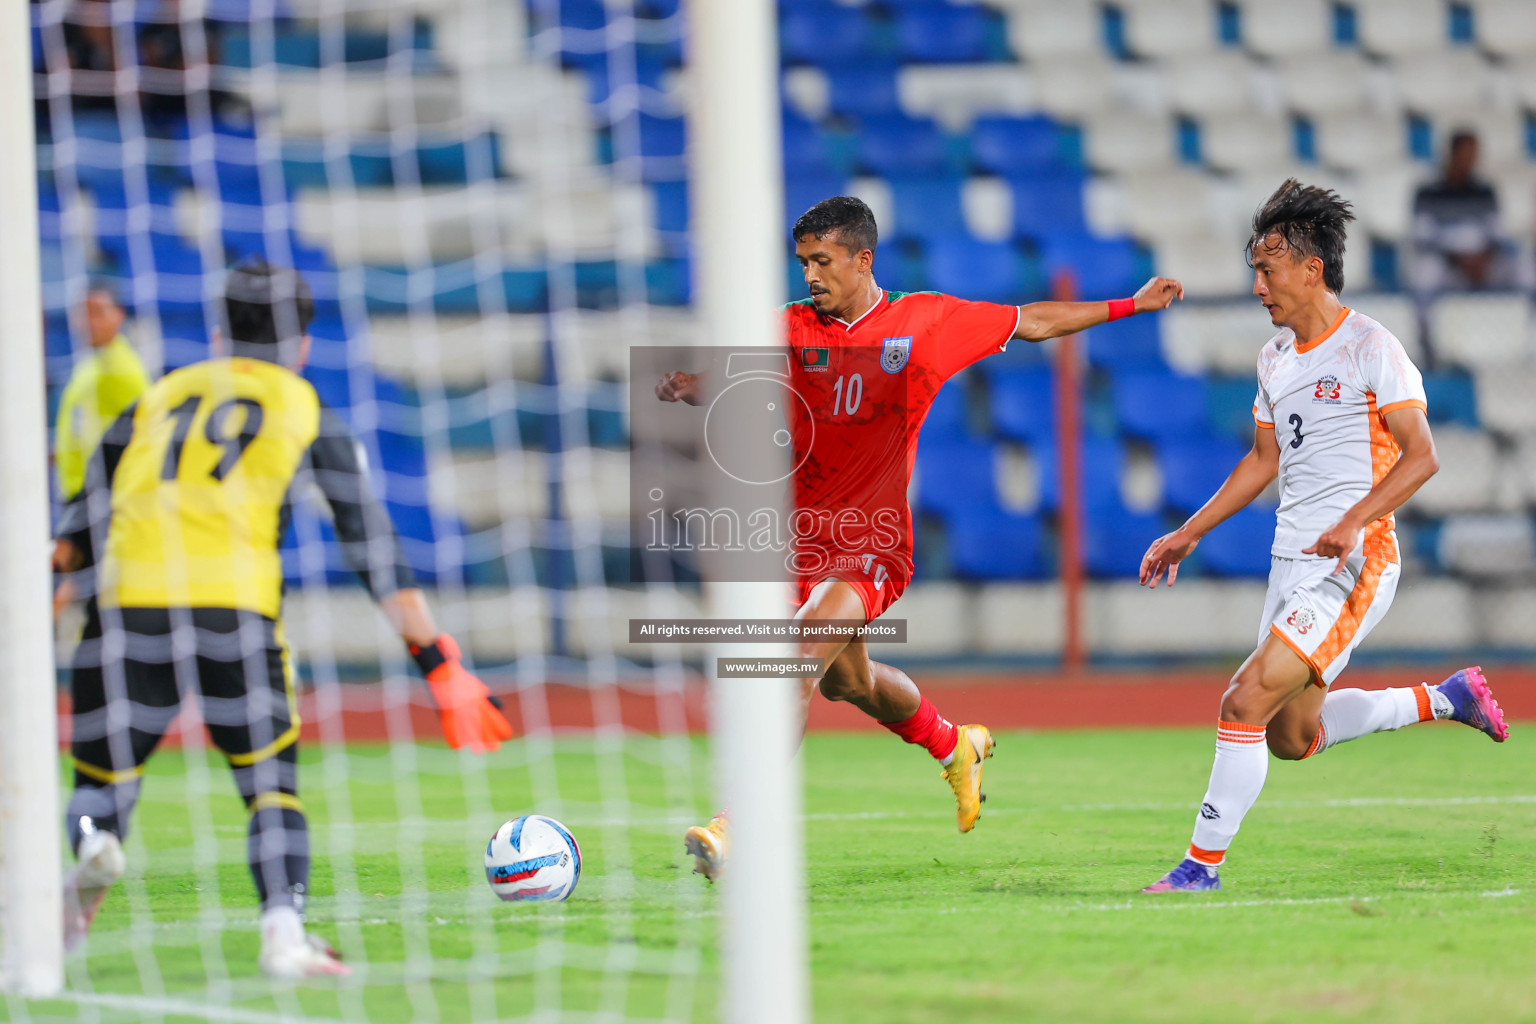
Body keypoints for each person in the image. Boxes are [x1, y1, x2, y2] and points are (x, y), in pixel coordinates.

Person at [656, 196, 1183, 880]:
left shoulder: (925, 321)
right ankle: (954, 743)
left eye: (822, 261)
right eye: (803, 263)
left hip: (872, 543)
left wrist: (1130, 307)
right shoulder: (789, 328)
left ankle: (738, 822)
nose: (810, 275)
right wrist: (688, 385)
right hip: (800, 542)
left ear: (862, 258)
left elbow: (1032, 322)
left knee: (795, 658)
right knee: (851, 684)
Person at [52, 260, 514, 976]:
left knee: (98, 783)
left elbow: (72, 536)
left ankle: (93, 846)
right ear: (301, 344)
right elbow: (371, 545)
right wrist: (439, 664)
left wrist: (52, 591)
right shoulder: (303, 406)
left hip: (128, 610)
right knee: (270, 785)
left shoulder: (155, 398)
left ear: (216, 331)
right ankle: (282, 933)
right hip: (235, 612)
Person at [1138, 180, 1508, 894]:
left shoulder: (1372, 345)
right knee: (1290, 736)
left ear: (1311, 268)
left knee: (1243, 700)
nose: (1257, 286)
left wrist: (1353, 521)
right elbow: (1262, 461)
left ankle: (1199, 867)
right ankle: (1445, 698)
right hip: (1292, 563)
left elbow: (1422, 453)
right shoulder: (1275, 359)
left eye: (1267, 269)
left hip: (1356, 560)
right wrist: (1189, 532)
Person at [54, 284, 150, 502]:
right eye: (83, 314)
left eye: (97, 313)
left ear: (119, 316)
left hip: (101, 493)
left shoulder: (123, 369)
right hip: (77, 489)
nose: (89, 323)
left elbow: (146, 429)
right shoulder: (89, 363)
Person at [1409, 130, 1510, 297]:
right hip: (1446, 264)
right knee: (1425, 273)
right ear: (1452, 154)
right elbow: (1423, 237)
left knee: (1521, 271)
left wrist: (1482, 260)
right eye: (1465, 155)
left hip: (1482, 264)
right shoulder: (1427, 193)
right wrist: (1459, 261)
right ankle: (1424, 323)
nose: (1469, 161)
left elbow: (1496, 235)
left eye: (1473, 155)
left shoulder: (1486, 192)